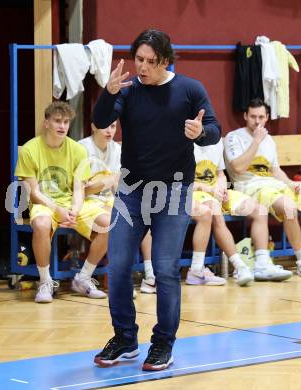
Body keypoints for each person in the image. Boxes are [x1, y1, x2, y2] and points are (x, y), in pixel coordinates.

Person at [92, 29, 221, 371]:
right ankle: (125, 339)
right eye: (139, 60)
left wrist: (202, 133)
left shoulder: (190, 89)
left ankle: (163, 343)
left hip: (174, 191)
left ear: (165, 60)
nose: (143, 67)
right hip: (131, 191)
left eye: (151, 61)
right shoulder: (129, 91)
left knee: (164, 270)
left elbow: (214, 129)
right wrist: (108, 93)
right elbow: (100, 120)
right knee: (118, 266)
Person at [224, 98, 301, 277]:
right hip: (251, 188)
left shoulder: (268, 140)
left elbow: (275, 171)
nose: (257, 121)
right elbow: (237, 167)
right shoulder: (233, 137)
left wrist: (291, 183)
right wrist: (256, 142)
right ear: (245, 116)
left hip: (275, 185)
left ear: (267, 117)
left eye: (261, 116)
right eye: (253, 116)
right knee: (289, 208)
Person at [15, 101, 110, 303]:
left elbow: (79, 188)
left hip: (72, 203)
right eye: (57, 121)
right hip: (45, 203)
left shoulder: (77, 150)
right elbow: (34, 193)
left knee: (108, 223)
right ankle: (45, 282)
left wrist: (74, 210)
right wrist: (57, 209)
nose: (62, 126)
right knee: (41, 224)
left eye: (66, 122)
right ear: (46, 123)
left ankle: (83, 278)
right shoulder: (29, 150)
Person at [187, 139, 292, 287]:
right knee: (214, 209)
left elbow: (220, 174)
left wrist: (222, 190)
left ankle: (262, 264)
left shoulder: (215, 141)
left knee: (259, 210)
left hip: (216, 191)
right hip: (193, 193)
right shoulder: (182, 141)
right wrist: (211, 191)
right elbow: (182, 181)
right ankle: (240, 267)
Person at [79, 121, 153, 297]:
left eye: (113, 126)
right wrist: (107, 181)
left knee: (143, 216)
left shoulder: (118, 150)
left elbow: (121, 184)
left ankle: (150, 275)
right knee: (114, 224)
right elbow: (82, 189)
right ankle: (86, 276)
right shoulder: (81, 148)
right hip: (85, 202)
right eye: (105, 126)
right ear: (93, 126)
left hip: (109, 200)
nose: (109, 130)